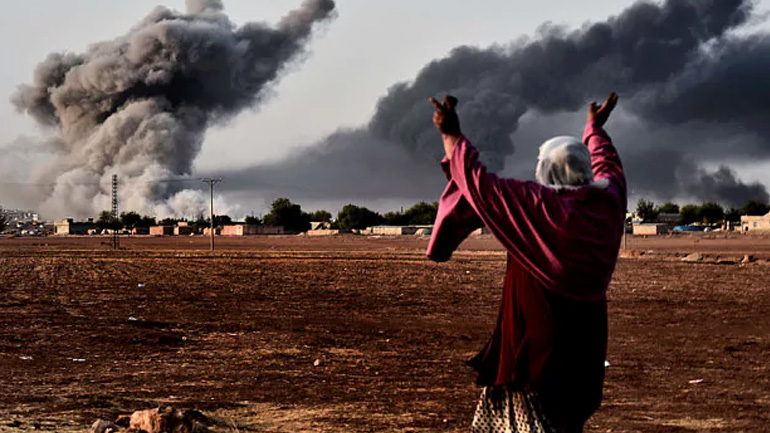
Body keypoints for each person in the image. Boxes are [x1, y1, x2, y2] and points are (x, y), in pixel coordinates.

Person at [427, 93, 626, 433]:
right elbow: (609, 164)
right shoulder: (608, 203)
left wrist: (450, 135)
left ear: (544, 169)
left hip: (536, 343)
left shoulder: (535, 206)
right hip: (587, 343)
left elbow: (478, 184)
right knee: (569, 417)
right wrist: (595, 131)